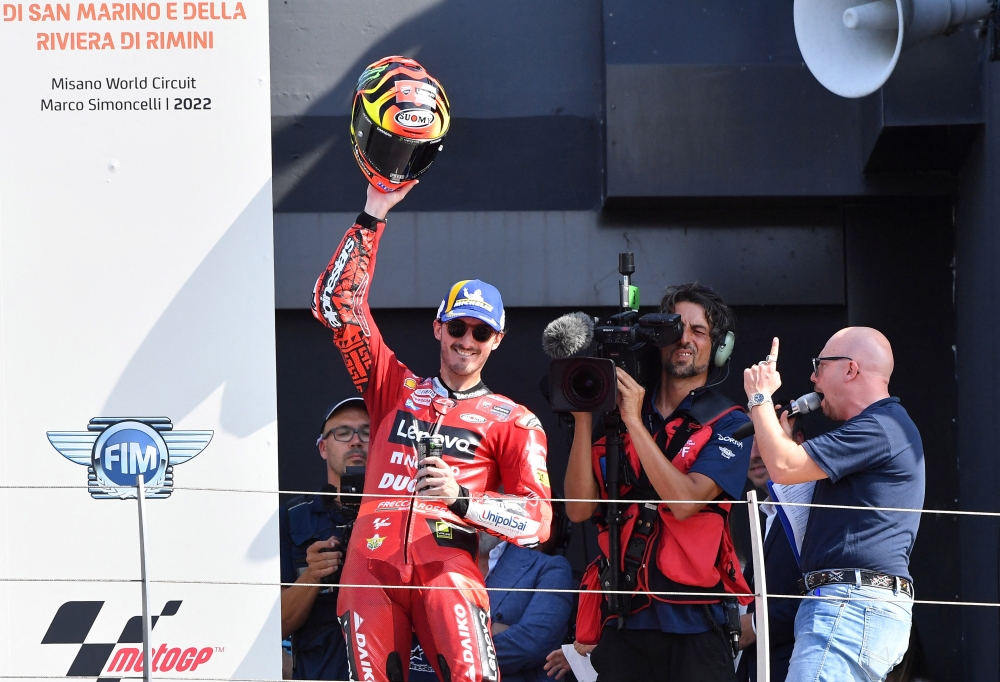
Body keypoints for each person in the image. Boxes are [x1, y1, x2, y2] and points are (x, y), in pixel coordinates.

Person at [311, 180, 552, 682]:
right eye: (458, 327)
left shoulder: (514, 419)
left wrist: (462, 498)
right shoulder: (392, 387)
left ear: (497, 340)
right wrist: (375, 209)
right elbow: (336, 306)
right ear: (438, 326)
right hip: (370, 566)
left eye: (481, 332)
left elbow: (537, 521)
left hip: (448, 569)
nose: (467, 340)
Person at [564, 284, 753, 682]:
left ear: (719, 347)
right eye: (675, 329)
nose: (684, 340)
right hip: (623, 623)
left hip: (697, 624)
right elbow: (578, 510)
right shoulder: (619, 413)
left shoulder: (732, 422)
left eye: (698, 331)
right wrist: (584, 415)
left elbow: (685, 503)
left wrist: (634, 421)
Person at [743, 329, 925, 682]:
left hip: (849, 604)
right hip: (849, 604)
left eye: (820, 366)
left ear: (851, 369)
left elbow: (783, 466)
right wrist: (777, 437)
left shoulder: (881, 426)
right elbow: (790, 475)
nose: (813, 378)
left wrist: (760, 398)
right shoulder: (879, 427)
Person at [279, 397, 370, 681]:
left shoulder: (404, 512)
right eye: (343, 433)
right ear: (323, 447)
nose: (356, 441)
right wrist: (313, 575)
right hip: (322, 671)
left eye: (367, 432)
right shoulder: (292, 517)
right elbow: (276, 625)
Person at [736, 411, 806, 682]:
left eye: (764, 438)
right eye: (747, 441)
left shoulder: (816, 507)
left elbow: (830, 593)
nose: (753, 454)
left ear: (798, 441)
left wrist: (755, 625)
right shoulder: (769, 513)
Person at [478, 511, 575, 682]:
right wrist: (489, 631)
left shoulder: (550, 568)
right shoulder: (437, 563)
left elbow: (531, 645)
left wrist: (457, 648)